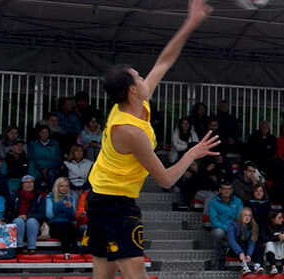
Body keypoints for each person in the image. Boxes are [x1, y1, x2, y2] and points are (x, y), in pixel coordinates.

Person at [84, 1, 216, 277]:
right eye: (139, 76)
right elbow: (166, 179)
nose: (145, 77)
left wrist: (190, 23)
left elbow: (164, 61)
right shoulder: (129, 130)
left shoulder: (136, 103)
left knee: (103, 275)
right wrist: (192, 153)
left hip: (102, 199)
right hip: (114, 205)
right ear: (133, 89)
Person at [9, 175, 45, 254]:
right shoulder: (14, 196)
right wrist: (19, 217)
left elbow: (41, 215)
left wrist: (27, 216)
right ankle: (19, 247)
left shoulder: (39, 197)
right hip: (18, 224)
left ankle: (32, 247)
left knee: (31, 221)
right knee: (18, 221)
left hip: (33, 226)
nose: (29, 184)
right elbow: (9, 213)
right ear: (22, 184)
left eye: (31, 182)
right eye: (26, 182)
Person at [208, 184, 243, 266]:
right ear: (220, 190)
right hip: (220, 228)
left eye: (229, 189)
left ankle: (240, 257)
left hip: (235, 227)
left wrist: (232, 229)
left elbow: (240, 217)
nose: (227, 191)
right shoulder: (213, 202)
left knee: (243, 231)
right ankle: (219, 256)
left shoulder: (238, 201)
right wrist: (228, 229)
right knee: (219, 233)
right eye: (224, 189)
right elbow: (214, 221)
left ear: (232, 190)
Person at [45, 178, 81, 254]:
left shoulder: (71, 198)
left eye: (66, 186)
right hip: (54, 225)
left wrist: (70, 208)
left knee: (70, 227)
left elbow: (72, 217)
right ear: (57, 187)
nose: (64, 188)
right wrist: (60, 204)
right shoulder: (50, 197)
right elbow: (50, 216)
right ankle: (67, 251)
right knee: (66, 228)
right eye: (62, 186)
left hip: (67, 224)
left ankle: (72, 250)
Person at [227, 207, 262, 274]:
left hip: (246, 250)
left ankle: (257, 267)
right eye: (245, 215)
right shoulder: (233, 225)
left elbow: (251, 242)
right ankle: (244, 267)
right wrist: (240, 252)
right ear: (241, 216)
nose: (247, 217)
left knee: (259, 244)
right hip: (234, 250)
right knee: (240, 243)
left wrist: (249, 254)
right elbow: (231, 241)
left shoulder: (253, 227)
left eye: (249, 216)